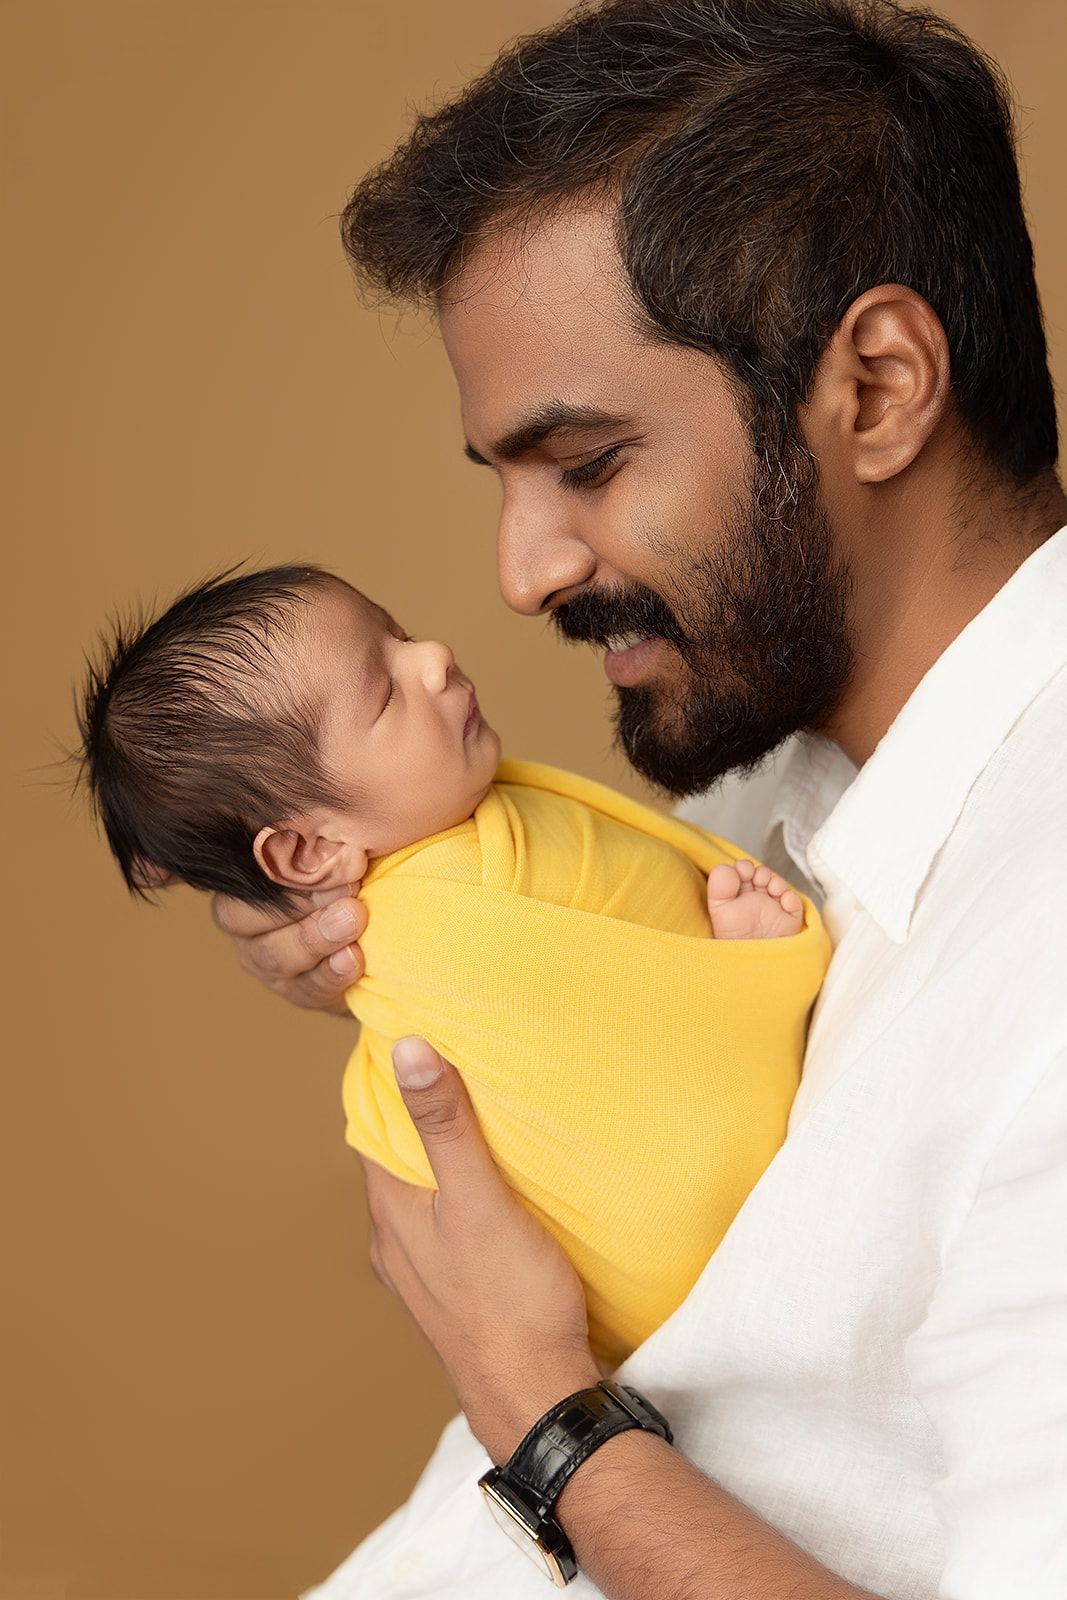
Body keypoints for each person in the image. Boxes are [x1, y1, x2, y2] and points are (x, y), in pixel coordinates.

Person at [207, 1, 1067, 1595]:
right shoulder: (767, 786)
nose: (519, 575)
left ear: (875, 388)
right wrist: (350, 919)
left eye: (587, 463)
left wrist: (541, 1421)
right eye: (505, 481)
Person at [76, 562, 827, 1370]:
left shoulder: (458, 833)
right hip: (679, 1250)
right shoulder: (445, 929)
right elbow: (603, 1045)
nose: (432, 656)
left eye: (398, 635)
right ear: (310, 850)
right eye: (385, 692)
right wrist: (748, 986)